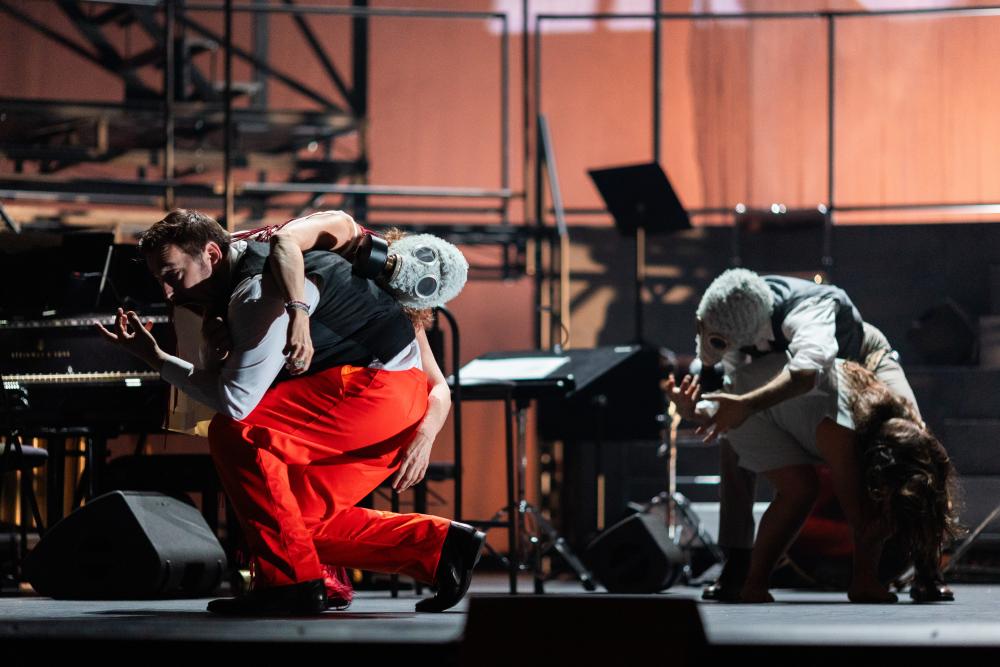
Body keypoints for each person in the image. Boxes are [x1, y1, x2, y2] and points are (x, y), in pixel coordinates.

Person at [98, 209, 482, 615]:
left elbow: (236, 401)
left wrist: (158, 359)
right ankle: (441, 547)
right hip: (386, 401)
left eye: (173, 275)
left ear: (212, 254)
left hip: (376, 395)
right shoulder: (281, 257)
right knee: (291, 523)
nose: (167, 292)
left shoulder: (261, 288)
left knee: (236, 431)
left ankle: (290, 586)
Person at [668, 268, 953, 602]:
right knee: (733, 441)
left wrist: (745, 405)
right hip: (811, 382)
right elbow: (736, 393)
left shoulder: (807, 310)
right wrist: (700, 409)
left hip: (862, 359)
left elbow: (807, 374)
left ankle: (927, 567)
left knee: (918, 443)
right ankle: (738, 563)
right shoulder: (730, 321)